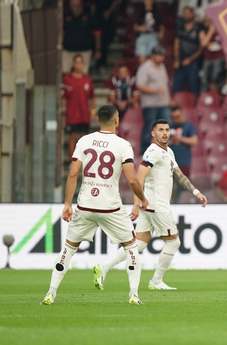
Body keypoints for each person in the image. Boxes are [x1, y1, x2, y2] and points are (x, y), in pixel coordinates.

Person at [41, 104, 149, 306]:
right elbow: (132, 180)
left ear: (97, 119)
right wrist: (142, 199)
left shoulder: (84, 141)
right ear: (117, 120)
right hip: (111, 208)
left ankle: (50, 293)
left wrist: (67, 204)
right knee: (131, 247)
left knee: (68, 249)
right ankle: (134, 295)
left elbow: (73, 174)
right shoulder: (123, 145)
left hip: (85, 206)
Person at [96, 118, 207, 291]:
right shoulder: (153, 151)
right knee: (174, 243)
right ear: (153, 133)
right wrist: (136, 204)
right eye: (161, 130)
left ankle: (104, 267)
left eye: (167, 129)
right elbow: (139, 176)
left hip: (150, 205)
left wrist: (196, 192)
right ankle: (156, 281)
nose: (165, 133)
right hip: (157, 205)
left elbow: (179, 175)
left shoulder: (168, 152)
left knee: (138, 244)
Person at [136, 45, 171, 153]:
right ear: (153, 55)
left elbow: (165, 84)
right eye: (159, 55)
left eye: (162, 56)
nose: (162, 58)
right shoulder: (145, 67)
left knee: (166, 127)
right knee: (149, 128)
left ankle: (165, 150)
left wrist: (170, 99)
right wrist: (155, 91)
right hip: (150, 104)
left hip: (163, 103)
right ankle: (144, 152)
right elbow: (140, 86)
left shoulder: (162, 66)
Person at [62, 55, 95, 157]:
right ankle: (73, 161)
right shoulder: (67, 79)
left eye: (80, 62)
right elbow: (63, 96)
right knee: (72, 136)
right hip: (72, 114)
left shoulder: (87, 79)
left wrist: (93, 112)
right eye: (77, 62)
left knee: (84, 137)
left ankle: (84, 160)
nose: (79, 65)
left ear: (83, 64)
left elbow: (91, 96)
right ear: (73, 64)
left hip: (84, 113)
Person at [62, 0, 101, 74]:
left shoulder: (89, 17)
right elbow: (62, 34)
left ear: (82, 5)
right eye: (74, 5)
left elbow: (97, 33)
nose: (76, 7)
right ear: (70, 6)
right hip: (68, 51)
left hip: (85, 51)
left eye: (78, 5)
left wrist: (98, 49)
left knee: (83, 74)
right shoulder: (66, 17)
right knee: (65, 72)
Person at [88, 0, 118, 68]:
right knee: (94, 38)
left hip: (106, 16)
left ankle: (102, 63)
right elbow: (89, 2)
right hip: (95, 17)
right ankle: (95, 61)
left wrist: (109, 11)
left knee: (105, 39)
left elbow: (115, 0)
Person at [173, 7, 203, 99]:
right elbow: (176, 44)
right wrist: (177, 60)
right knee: (176, 88)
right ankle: (175, 109)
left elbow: (202, 47)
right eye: (184, 13)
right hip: (181, 61)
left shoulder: (198, 28)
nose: (186, 15)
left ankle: (195, 110)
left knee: (194, 88)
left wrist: (190, 59)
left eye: (188, 13)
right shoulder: (180, 27)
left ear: (192, 14)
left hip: (193, 61)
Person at [169, 106, 199, 195]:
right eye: (173, 117)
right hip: (169, 162)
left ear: (182, 114)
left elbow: (194, 141)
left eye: (177, 116)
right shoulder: (168, 127)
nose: (175, 119)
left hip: (183, 162)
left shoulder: (189, 126)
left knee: (183, 188)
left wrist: (179, 139)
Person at [134, 0, 164, 64]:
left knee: (153, 60)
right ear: (143, 0)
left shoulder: (157, 11)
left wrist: (161, 32)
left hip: (153, 36)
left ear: (153, 0)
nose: (149, 1)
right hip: (142, 36)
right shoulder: (139, 11)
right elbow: (134, 26)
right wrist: (140, 28)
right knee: (142, 61)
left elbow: (162, 24)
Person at [199, 17, 227, 93]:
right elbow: (204, 44)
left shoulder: (222, 31)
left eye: (210, 21)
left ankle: (216, 99)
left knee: (215, 79)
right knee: (205, 80)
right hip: (208, 59)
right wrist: (211, 31)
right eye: (207, 22)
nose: (209, 23)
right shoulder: (204, 32)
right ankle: (204, 96)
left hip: (219, 58)